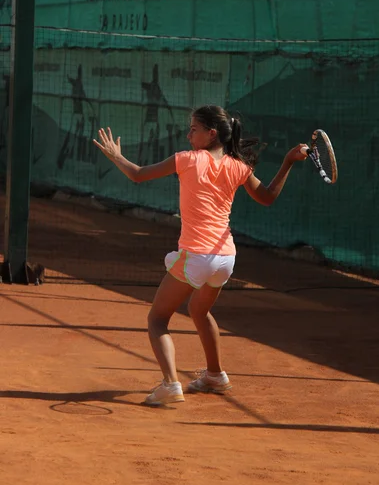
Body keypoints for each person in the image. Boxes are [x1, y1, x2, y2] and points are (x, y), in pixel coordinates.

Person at [93, 105, 308, 406]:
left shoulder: (187, 159)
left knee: (157, 319)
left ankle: (170, 384)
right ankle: (215, 375)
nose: (188, 134)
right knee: (198, 310)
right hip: (225, 260)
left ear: (211, 133)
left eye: (193, 128)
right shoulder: (239, 166)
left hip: (197, 256)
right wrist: (287, 161)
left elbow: (138, 175)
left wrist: (116, 156)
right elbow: (268, 197)